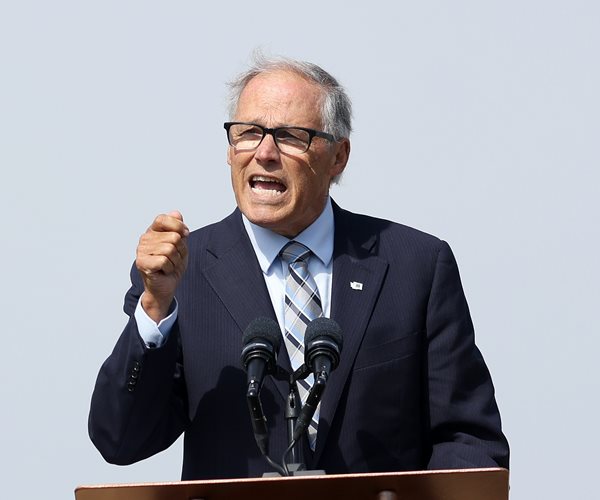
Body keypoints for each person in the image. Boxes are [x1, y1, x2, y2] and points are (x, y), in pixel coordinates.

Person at [89, 55, 509, 480]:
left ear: (338, 157)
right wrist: (155, 308)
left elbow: (467, 439)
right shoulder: (182, 274)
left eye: (290, 136)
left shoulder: (416, 266)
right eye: (248, 133)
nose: (264, 153)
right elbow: (121, 440)